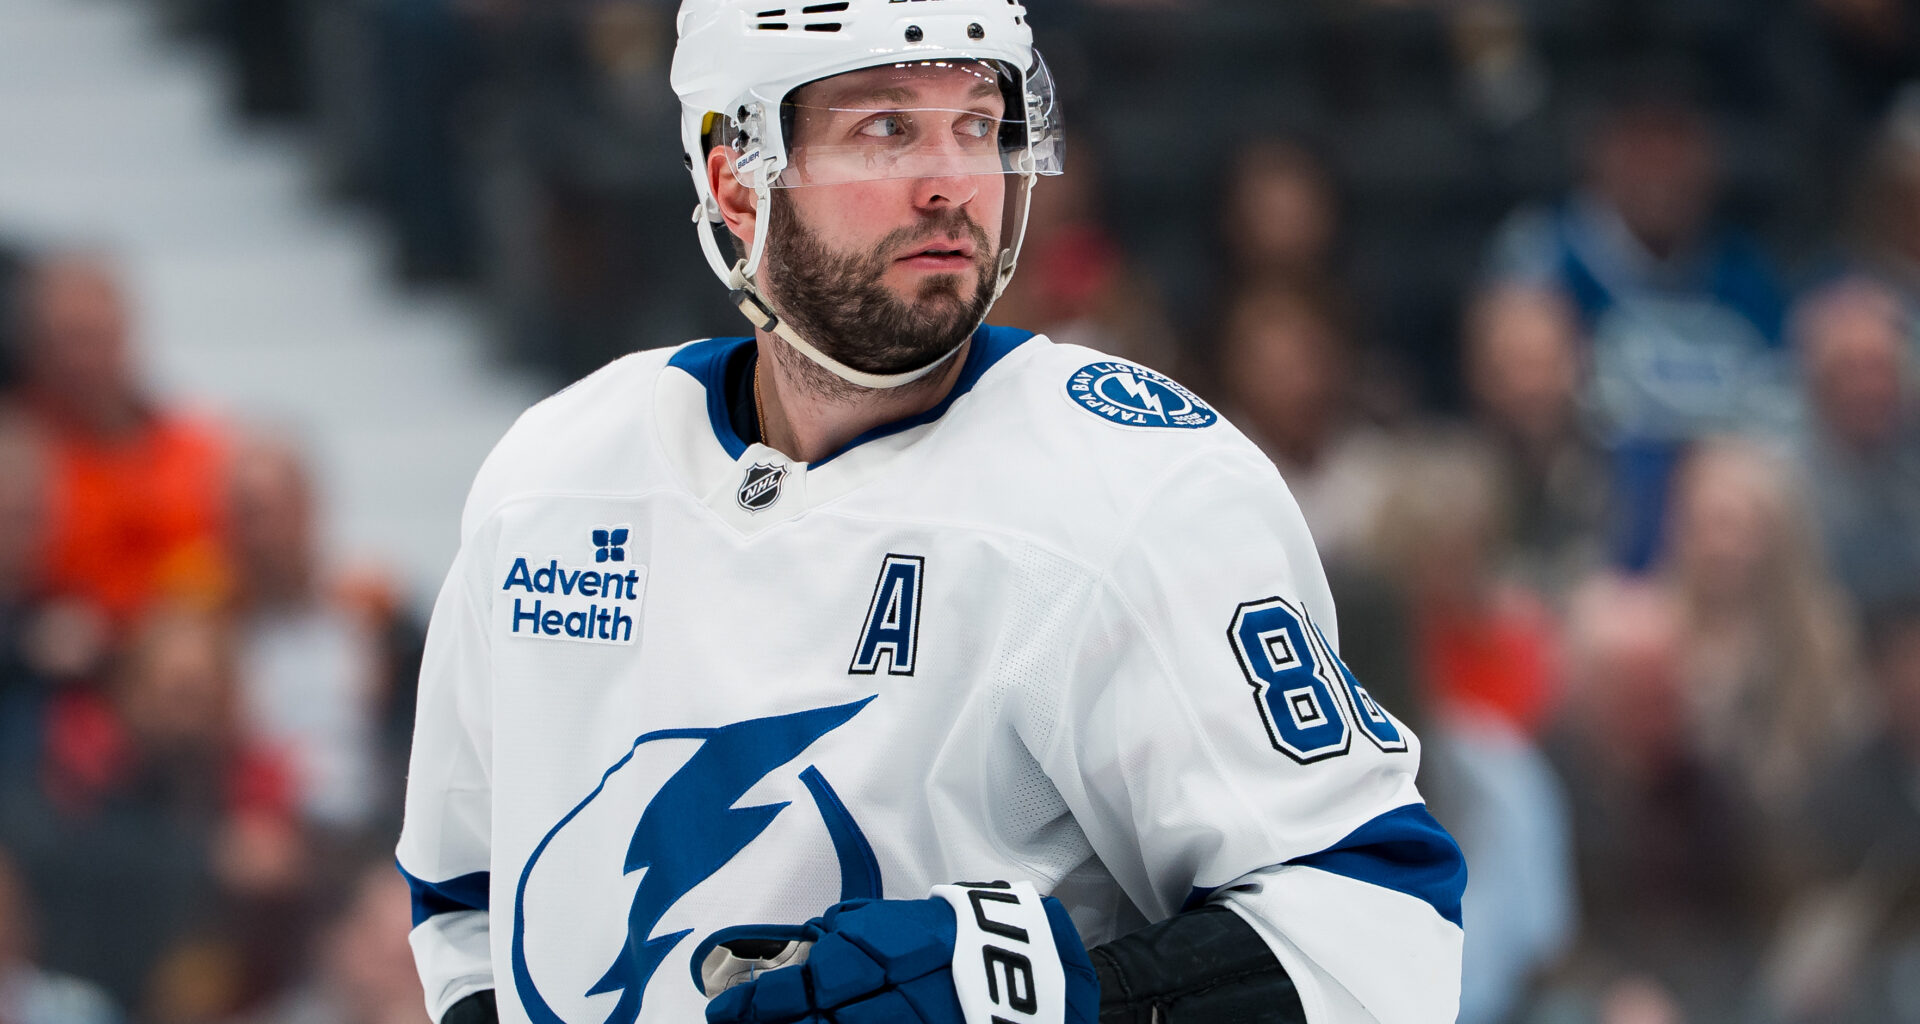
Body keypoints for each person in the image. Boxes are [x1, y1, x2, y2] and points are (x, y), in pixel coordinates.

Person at [396, 3, 1466, 1023]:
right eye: (885, 128)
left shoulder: (1136, 488)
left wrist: (1067, 993)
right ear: (737, 182)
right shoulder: (552, 480)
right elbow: (464, 902)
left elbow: (1381, 929)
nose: (953, 181)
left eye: (978, 124)